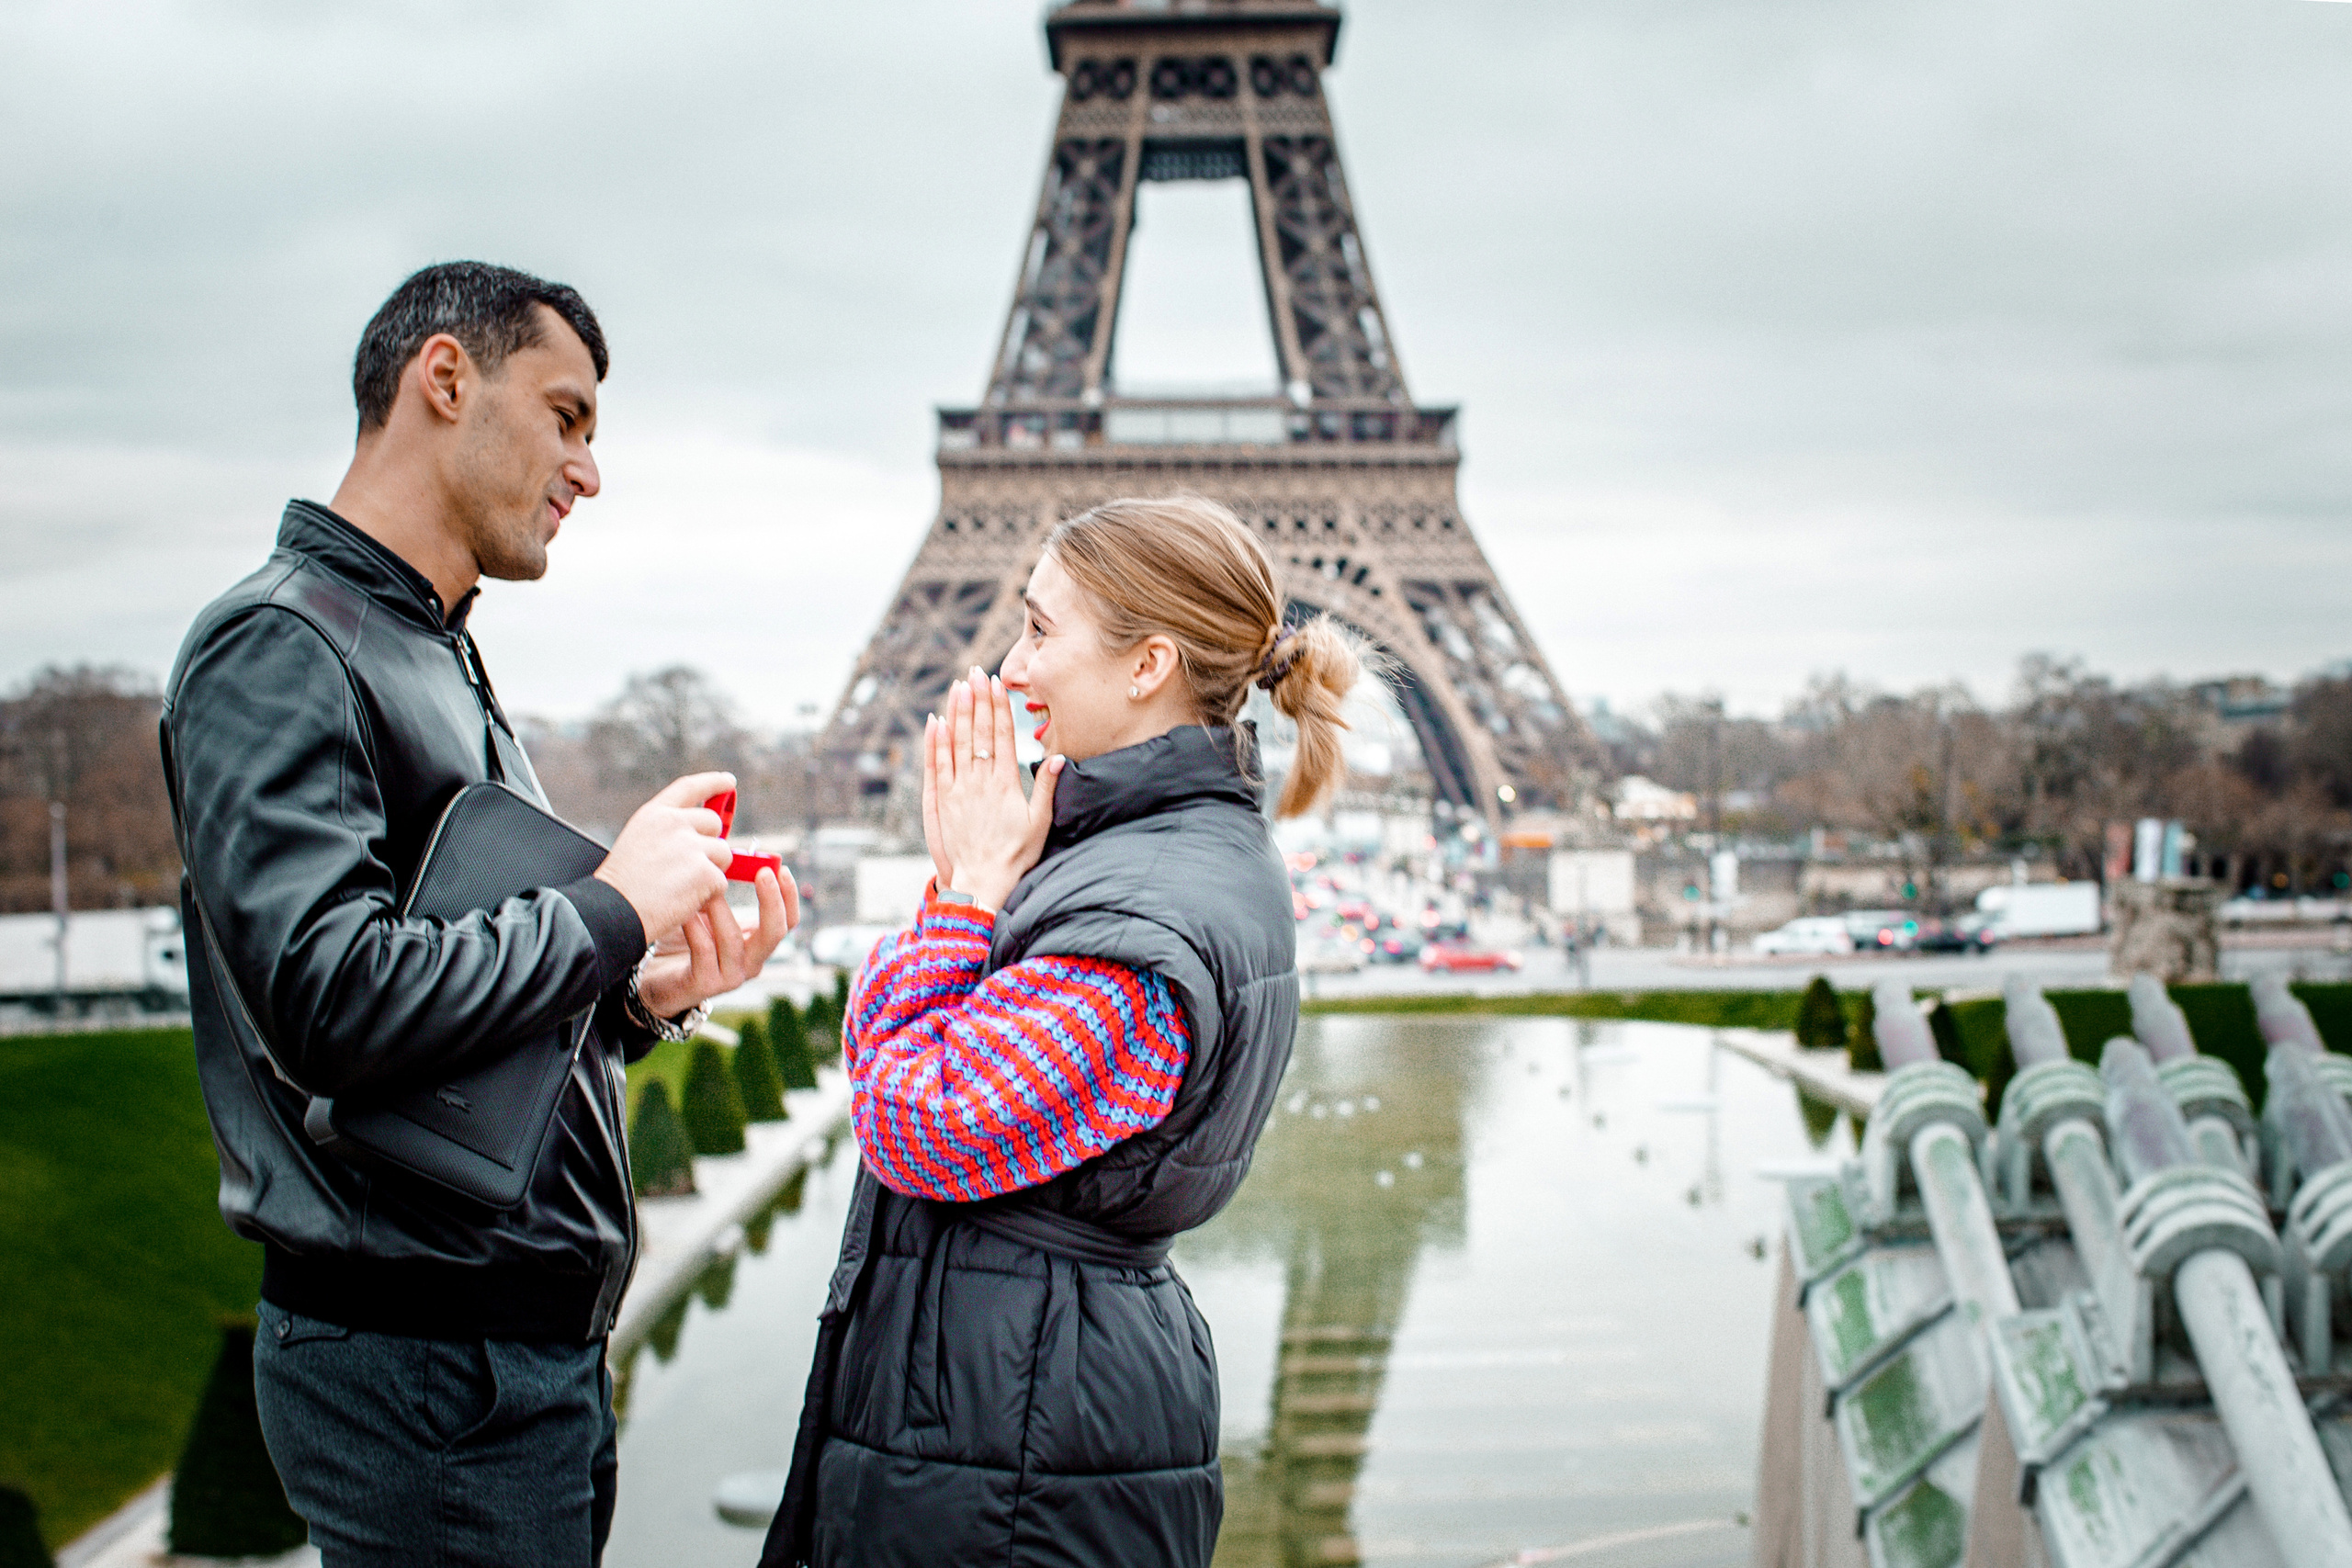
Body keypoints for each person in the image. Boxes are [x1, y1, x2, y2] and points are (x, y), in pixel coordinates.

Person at [159, 262, 797, 1568]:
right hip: (430, 1372)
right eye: (567, 417)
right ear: (444, 378)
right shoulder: (281, 645)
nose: (589, 472)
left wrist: (637, 995)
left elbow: (438, 1022)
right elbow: (329, 1002)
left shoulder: (429, 647)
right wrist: (610, 907)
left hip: (494, 1362)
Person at [762, 495, 1363, 1568]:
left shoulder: (1144, 911)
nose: (1012, 665)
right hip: (1021, 1412)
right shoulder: (1140, 858)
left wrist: (963, 899)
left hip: (1024, 1441)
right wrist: (974, 887)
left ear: (1147, 665)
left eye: (1040, 630)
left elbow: (917, 1124)